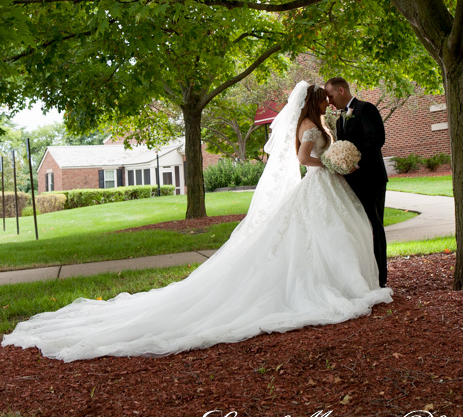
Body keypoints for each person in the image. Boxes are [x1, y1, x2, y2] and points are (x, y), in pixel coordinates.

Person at [2, 82, 391, 362]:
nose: (328, 103)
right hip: (319, 184)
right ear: (313, 101)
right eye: (323, 99)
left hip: (328, 187)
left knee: (334, 235)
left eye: (329, 98)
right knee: (317, 237)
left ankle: (347, 279)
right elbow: (304, 158)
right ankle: (335, 285)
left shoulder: (321, 123)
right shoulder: (307, 127)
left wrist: (336, 160)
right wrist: (329, 162)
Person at [324, 77, 388, 288]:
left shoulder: (365, 109)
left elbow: (376, 139)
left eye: (331, 96)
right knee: (358, 228)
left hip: (370, 178)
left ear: (341, 90)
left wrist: (356, 162)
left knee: (373, 226)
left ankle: (380, 277)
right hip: (351, 181)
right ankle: (366, 276)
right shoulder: (340, 118)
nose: (330, 101)